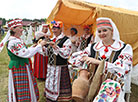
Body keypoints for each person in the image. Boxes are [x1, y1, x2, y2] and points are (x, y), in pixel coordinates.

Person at [69, 17, 133, 102]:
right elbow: (74, 58)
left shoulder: (124, 48)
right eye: (99, 31)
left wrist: (99, 63)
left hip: (111, 88)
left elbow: (123, 68)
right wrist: (84, 58)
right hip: (92, 84)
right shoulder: (93, 47)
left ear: (112, 31)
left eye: (105, 30)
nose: (102, 33)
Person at [4, 19, 47, 102]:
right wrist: (39, 46)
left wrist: (33, 47)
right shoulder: (12, 42)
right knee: (22, 88)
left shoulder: (17, 40)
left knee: (26, 86)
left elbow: (24, 50)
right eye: (20, 28)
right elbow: (25, 53)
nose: (22, 29)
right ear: (13, 29)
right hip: (18, 68)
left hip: (22, 67)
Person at [45, 21, 72, 102]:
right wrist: (42, 47)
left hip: (60, 67)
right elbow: (47, 53)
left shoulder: (66, 40)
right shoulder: (51, 39)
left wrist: (56, 47)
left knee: (60, 85)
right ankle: (50, 97)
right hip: (51, 66)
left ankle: (62, 99)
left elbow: (67, 53)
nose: (54, 30)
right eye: (53, 28)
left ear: (61, 29)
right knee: (51, 83)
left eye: (56, 29)